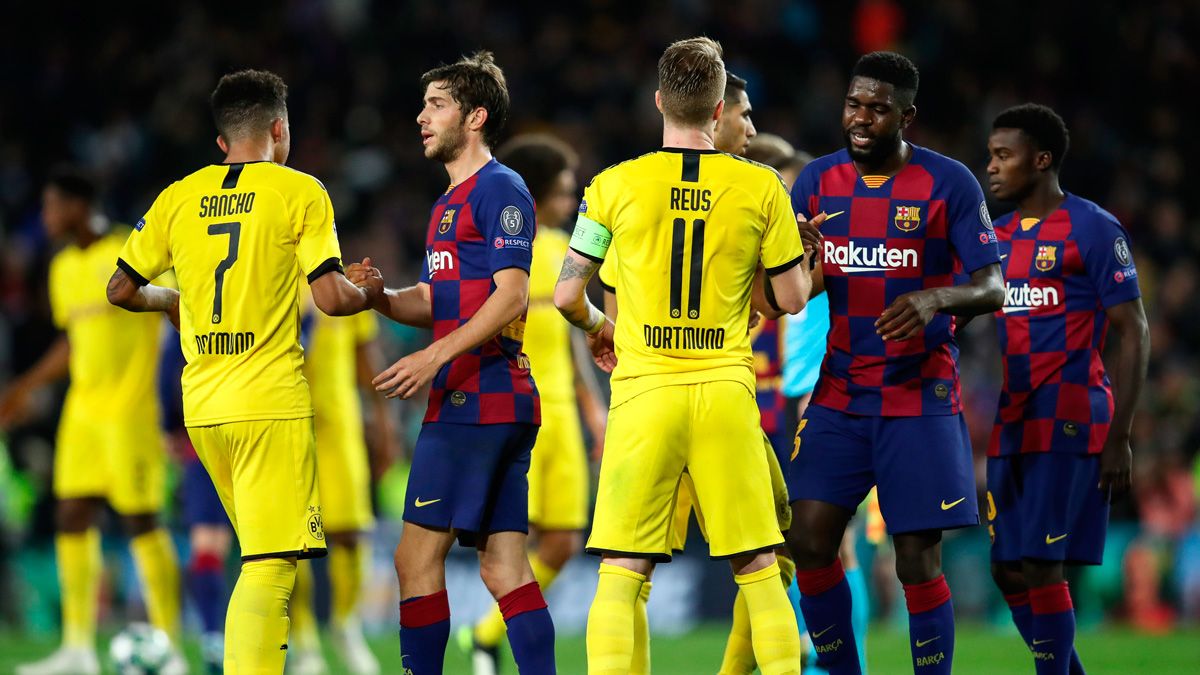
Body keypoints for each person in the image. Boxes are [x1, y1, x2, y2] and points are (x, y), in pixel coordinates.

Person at [106, 69, 382, 674]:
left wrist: (172, 302)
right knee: (270, 564)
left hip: (202, 408)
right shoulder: (299, 191)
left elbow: (121, 288)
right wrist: (372, 293)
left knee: (258, 559)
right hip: (268, 404)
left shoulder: (178, 195)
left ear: (222, 140)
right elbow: (332, 300)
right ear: (280, 130)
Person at [554, 37, 810, 675]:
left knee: (622, 568)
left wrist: (597, 326)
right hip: (724, 388)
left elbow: (565, 294)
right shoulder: (762, 187)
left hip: (643, 393)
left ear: (660, 100)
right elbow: (793, 296)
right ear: (720, 109)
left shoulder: (610, 186)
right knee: (757, 566)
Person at [786, 51, 1004, 675]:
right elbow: (806, 286)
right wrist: (801, 266)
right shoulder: (818, 182)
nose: (861, 118)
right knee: (808, 539)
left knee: (915, 556)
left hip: (918, 394)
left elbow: (993, 286)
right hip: (841, 391)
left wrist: (937, 295)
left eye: (878, 109)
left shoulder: (950, 183)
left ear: (906, 116)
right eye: (854, 104)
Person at [348, 52, 555, 675]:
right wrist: (381, 296)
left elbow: (512, 293)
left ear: (476, 116)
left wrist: (434, 357)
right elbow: (437, 299)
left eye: (436, 104)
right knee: (503, 568)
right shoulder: (448, 203)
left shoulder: (500, 187)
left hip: (477, 398)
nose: (420, 117)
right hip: (486, 399)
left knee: (415, 561)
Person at [984, 103, 1149, 675]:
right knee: (1006, 568)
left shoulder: (1094, 227)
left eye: (1004, 155)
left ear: (1043, 159)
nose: (992, 167)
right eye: (990, 155)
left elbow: (1135, 330)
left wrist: (1120, 434)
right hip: (1015, 415)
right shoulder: (997, 238)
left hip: (1073, 410)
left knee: (1039, 561)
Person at [0, 169, 185, 675]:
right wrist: (24, 386)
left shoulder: (130, 251)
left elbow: (178, 311)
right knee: (71, 514)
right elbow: (72, 341)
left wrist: (179, 397)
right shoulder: (61, 267)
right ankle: (78, 649)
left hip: (131, 411)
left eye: (52, 207)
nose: (45, 218)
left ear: (79, 206)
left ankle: (168, 649)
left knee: (141, 521)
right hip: (83, 412)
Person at [463, 133, 607, 675]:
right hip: (516, 411)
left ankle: (483, 633)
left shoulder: (560, 249)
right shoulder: (511, 249)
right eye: (564, 191)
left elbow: (571, 334)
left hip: (562, 415)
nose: (569, 202)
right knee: (510, 538)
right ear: (538, 192)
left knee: (564, 540)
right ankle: (507, 641)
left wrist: (592, 408)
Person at [750, 134, 873, 675]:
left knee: (825, 548)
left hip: (822, 406)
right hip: (796, 404)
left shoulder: (823, 247)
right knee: (797, 548)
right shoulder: (789, 254)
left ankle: (837, 663)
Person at [289, 302, 394, 675]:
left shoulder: (337, 286)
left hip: (340, 429)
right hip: (289, 426)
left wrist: (384, 424)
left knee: (351, 533)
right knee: (292, 542)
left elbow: (366, 359)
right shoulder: (272, 271)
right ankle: (304, 643)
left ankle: (346, 625)